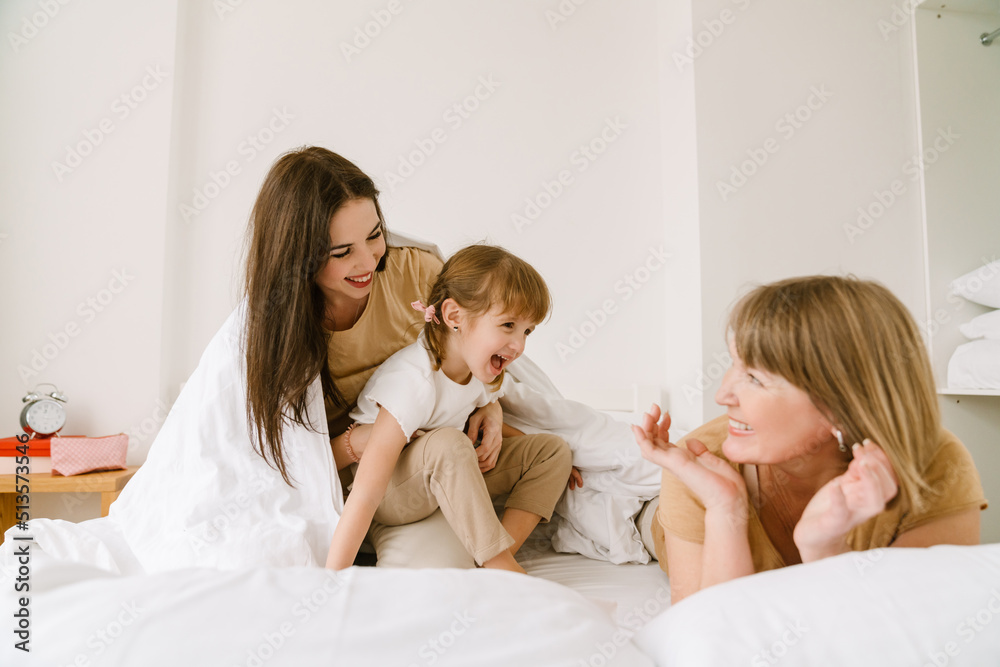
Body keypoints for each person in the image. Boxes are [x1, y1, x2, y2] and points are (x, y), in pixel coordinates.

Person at [634, 275, 987, 603]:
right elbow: (711, 645)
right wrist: (725, 509)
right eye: (733, 364)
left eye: (755, 378)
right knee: (625, 515)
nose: (723, 394)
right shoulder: (697, 467)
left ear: (842, 403)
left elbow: (903, 634)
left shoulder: (934, 463)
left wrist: (825, 550)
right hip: (655, 524)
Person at [324, 244, 574, 573]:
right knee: (449, 444)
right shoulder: (414, 382)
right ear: (455, 317)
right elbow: (367, 492)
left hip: (442, 477)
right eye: (508, 325)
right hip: (390, 494)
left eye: (527, 331)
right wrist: (331, 579)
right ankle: (500, 565)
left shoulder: (479, 368)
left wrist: (532, 452)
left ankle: (498, 554)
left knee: (553, 450)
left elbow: (479, 414)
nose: (519, 346)